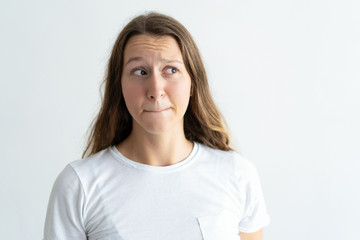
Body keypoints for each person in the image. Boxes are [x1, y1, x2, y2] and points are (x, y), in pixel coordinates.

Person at [43, 12, 270, 240]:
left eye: (170, 70)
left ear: (193, 82)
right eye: (140, 72)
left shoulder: (237, 175)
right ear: (119, 85)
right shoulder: (79, 185)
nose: (155, 90)